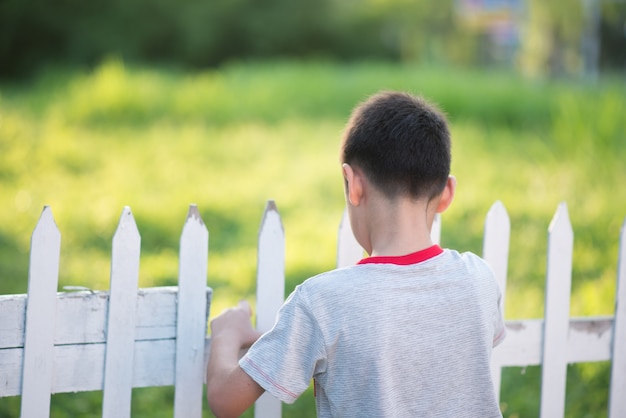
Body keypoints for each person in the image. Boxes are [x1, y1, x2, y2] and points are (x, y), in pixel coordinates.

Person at [206, 91, 506, 418]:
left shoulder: (322, 302)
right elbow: (410, 332)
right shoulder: (478, 279)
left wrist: (226, 334)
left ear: (353, 184)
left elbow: (225, 399)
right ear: (447, 193)